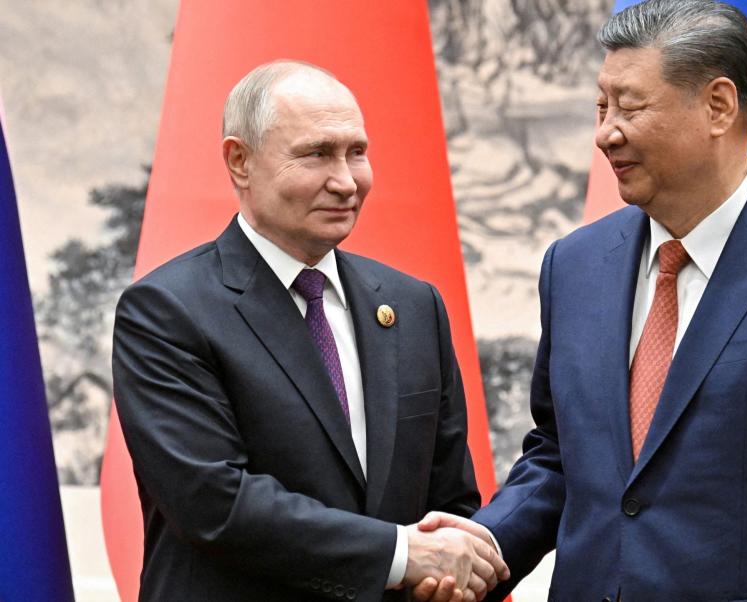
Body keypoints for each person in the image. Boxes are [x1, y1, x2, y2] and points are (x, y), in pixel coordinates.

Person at [418, 1, 747, 600]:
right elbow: (563, 455)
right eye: (600, 107)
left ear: (718, 106)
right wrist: (487, 547)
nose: (605, 132)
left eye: (629, 107)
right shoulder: (575, 265)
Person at [112, 60, 508, 602]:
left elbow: (450, 499)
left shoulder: (414, 306)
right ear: (239, 160)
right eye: (317, 154)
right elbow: (213, 501)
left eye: (357, 152)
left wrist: (448, 572)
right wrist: (399, 554)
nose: (346, 181)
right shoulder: (166, 310)